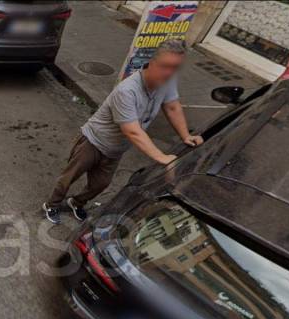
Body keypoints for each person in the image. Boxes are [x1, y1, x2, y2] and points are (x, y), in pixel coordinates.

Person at [43, 39, 203, 224]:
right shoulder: (127, 91)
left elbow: (173, 107)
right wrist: (161, 157)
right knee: (68, 178)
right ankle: (52, 204)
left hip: (115, 149)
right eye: (165, 66)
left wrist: (186, 136)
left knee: (101, 184)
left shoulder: (168, 81)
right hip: (93, 141)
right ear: (152, 61)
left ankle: (76, 202)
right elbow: (132, 131)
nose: (169, 72)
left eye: (175, 67)